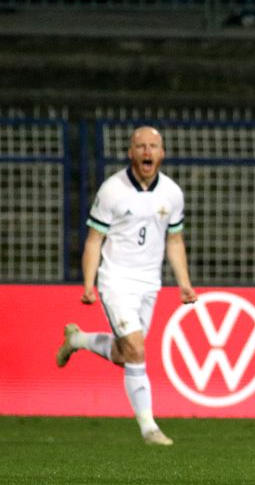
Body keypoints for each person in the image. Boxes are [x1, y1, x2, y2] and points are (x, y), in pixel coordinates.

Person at [55, 127, 196, 446]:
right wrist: (89, 283)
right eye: (141, 146)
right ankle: (149, 428)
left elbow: (174, 240)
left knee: (126, 353)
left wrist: (184, 284)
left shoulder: (172, 193)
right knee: (136, 347)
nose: (147, 151)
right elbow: (94, 239)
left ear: (162, 153)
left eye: (153, 146)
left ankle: (77, 339)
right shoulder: (112, 190)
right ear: (131, 153)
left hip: (149, 282)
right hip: (115, 278)